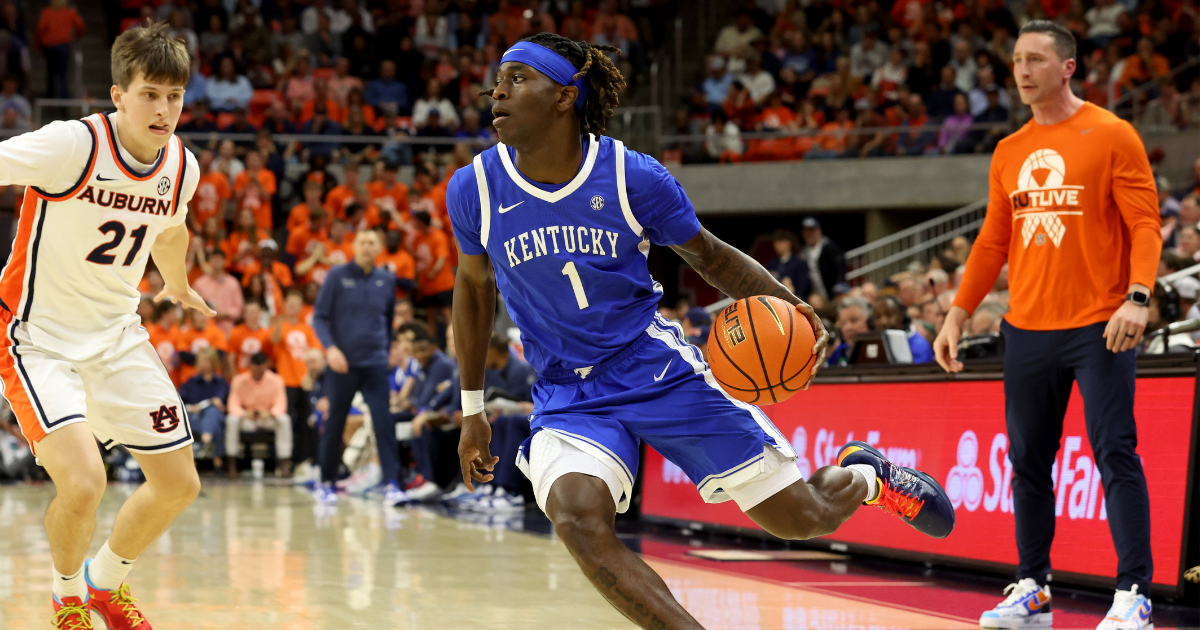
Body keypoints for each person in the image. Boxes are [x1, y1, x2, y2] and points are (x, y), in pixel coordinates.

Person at [448, 33, 955, 630]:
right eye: (497, 79)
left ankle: (867, 475)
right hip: (567, 390)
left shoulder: (632, 177)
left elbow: (711, 258)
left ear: (565, 96)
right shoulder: (475, 187)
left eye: (517, 78)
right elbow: (474, 292)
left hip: (652, 366)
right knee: (578, 518)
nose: (496, 91)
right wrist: (472, 408)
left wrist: (790, 306)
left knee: (804, 517)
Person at [931, 22, 1160, 630]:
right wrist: (958, 312)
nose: (1022, 70)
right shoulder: (1009, 151)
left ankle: (1134, 591)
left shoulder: (1113, 134)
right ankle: (1032, 586)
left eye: (1035, 59)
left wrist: (1138, 297)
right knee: (1029, 462)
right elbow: (991, 243)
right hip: (1026, 329)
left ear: (1068, 67)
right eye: (1015, 61)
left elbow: (1145, 226)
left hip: (1099, 323)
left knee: (1116, 451)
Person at [0, 23, 210, 629]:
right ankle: (67, 601)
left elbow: (171, 228)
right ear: (117, 95)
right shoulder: (71, 146)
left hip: (116, 335)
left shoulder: (181, 166)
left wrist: (175, 282)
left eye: (174, 96)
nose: (164, 109)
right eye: (150, 94)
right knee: (85, 483)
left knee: (178, 484)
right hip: (36, 338)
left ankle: (103, 584)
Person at [312, 229, 406, 506]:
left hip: (375, 363)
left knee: (383, 422)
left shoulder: (387, 280)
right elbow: (319, 317)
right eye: (363, 242)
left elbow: (387, 320)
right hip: (342, 364)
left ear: (379, 248)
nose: (367, 247)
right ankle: (325, 480)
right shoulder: (337, 276)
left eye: (372, 242)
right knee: (335, 422)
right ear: (354, 246)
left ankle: (392, 483)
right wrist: (330, 349)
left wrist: (387, 349)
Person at [271, 290, 323, 475]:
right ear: (285, 305)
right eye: (289, 303)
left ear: (301, 307)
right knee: (288, 422)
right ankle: (286, 460)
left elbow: (316, 352)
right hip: (286, 380)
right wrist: (278, 321)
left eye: (296, 303)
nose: (293, 306)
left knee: (305, 422)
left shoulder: (307, 329)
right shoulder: (280, 325)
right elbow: (274, 341)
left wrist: (311, 375)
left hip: (305, 381)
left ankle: (303, 459)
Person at [225, 351, 291, 477]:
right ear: (250, 366)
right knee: (231, 420)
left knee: (284, 419)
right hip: (247, 418)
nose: (258, 369)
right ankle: (231, 464)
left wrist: (270, 413)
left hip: (267, 418)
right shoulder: (239, 380)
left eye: (261, 365)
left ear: (266, 365)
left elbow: (281, 404)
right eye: (255, 365)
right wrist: (244, 413)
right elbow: (232, 404)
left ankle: (284, 464)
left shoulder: (276, 380)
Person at [179, 348, 230, 467]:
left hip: (216, 417)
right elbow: (180, 403)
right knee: (211, 422)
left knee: (213, 413)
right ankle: (214, 453)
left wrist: (221, 407)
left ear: (213, 362)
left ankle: (205, 442)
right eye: (200, 360)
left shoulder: (222, 383)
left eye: (205, 360)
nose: (202, 364)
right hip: (194, 418)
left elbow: (225, 406)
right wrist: (194, 407)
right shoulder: (190, 383)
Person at [874, 295, 934, 363]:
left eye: (889, 315)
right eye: (878, 317)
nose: (883, 322)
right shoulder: (873, 346)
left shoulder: (919, 345)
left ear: (902, 314)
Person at [799, 217, 847, 300]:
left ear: (819, 231)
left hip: (832, 291)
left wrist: (839, 287)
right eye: (806, 231)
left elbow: (840, 268)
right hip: (816, 294)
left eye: (811, 231)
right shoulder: (804, 252)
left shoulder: (829, 247)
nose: (809, 234)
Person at [765, 229, 810, 298]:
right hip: (774, 299)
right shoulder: (771, 264)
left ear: (789, 243)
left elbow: (803, 286)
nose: (777, 245)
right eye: (776, 242)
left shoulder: (799, 263)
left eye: (781, 242)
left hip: (794, 299)